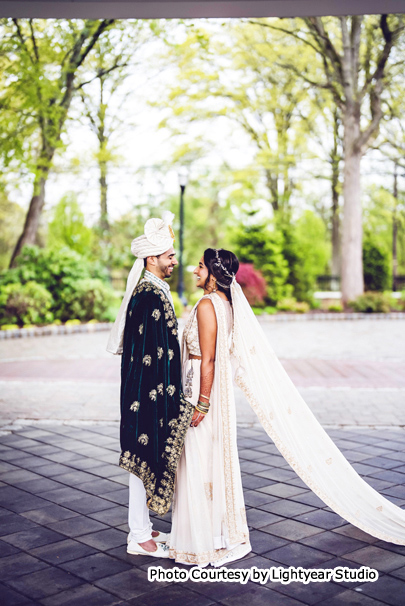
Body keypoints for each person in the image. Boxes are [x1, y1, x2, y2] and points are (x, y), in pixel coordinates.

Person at [169, 247, 405, 567]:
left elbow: (209, 359)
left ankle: (204, 540)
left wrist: (202, 402)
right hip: (206, 385)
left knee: (199, 461)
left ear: (213, 273)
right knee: (209, 461)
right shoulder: (225, 303)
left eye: (200, 266)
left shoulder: (208, 306)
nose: (194, 271)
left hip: (202, 387)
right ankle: (212, 534)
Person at [107, 212, 194, 558]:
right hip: (147, 393)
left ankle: (143, 525)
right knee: (141, 456)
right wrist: (154, 397)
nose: (175, 260)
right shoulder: (147, 296)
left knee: (148, 455)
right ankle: (139, 535)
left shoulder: (156, 289)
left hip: (156, 390)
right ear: (151, 259)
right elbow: (143, 354)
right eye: (169, 255)